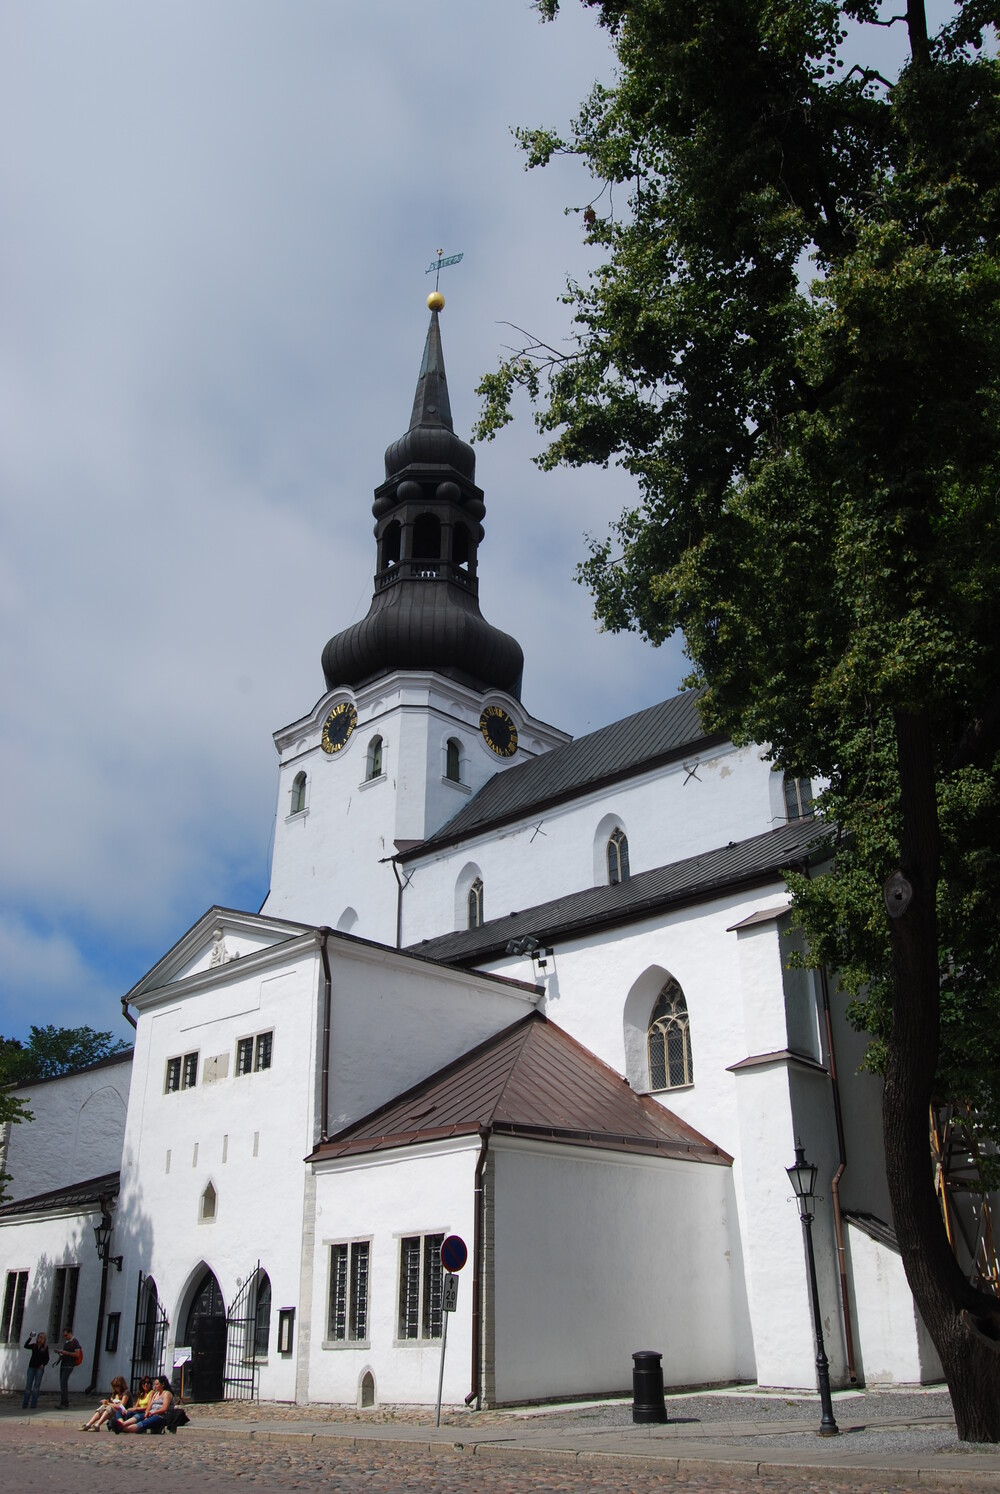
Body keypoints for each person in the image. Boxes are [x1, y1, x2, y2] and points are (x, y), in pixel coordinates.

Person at [55, 1327, 82, 1409]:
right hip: (64, 1363)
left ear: (70, 1333)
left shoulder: (75, 1342)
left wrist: (66, 1353)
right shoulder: (66, 1342)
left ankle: (65, 1402)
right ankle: (63, 1401)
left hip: (69, 1364)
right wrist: (60, 1353)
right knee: (62, 1383)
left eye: (66, 1335)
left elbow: (77, 1354)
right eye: (64, 1336)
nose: (65, 1337)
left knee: (64, 1382)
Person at [22, 1332, 49, 1409]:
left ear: (43, 1338)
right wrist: (30, 1337)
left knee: (36, 1387)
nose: (38, 1338)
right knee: (28, 1386)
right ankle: (25, 1404)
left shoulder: (45, 1347)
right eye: (38, 1336)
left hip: (39, 1368)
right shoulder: (34, 1346)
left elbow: (47, 1358)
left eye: (40, 1337)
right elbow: (26, 1346)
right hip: (32, 1367)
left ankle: (33, 1405)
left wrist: (43, 1364)